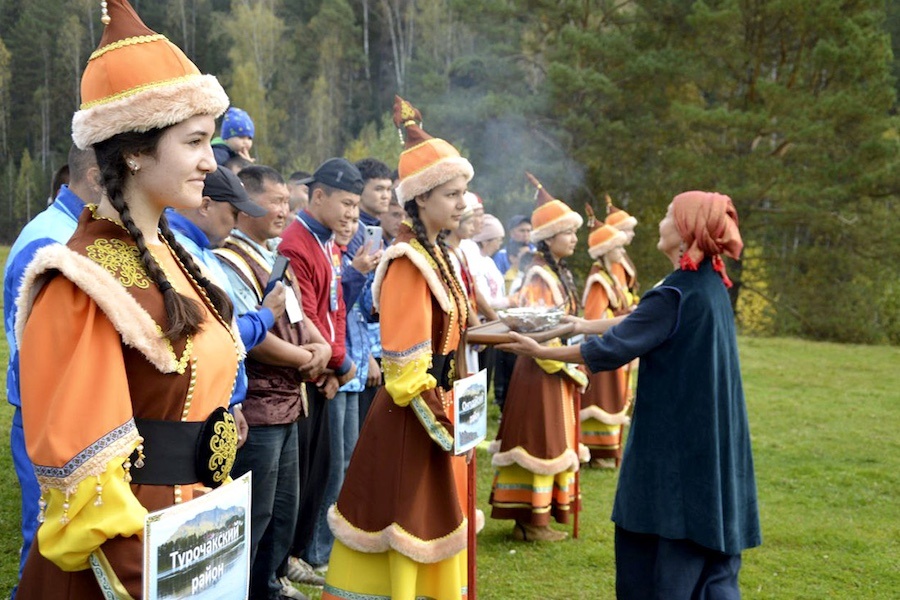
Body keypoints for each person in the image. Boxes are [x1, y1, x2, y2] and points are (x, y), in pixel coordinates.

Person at [15, 2, 240, 597]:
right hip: (129, 560)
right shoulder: (79, 281)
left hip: (194, 531)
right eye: (194, 141)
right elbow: (85, 471)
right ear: (136, 151)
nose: (210, 163)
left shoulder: (171, 255)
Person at [499, 190, 761, 599]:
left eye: (669, 215)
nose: (661, 222)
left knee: (667, 558)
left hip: (675, 447)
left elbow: (615, 347)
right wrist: (576, 324)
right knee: (711, 565)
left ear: (686, 230)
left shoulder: (677, 291)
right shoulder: (708, 283)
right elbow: (643, 321)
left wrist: (539, 351)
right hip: (708, 442)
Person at [323, 96, 475, 600]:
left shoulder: (439, 253)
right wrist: (448, 425)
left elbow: (455, 332)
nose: (463, 204)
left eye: (464, 193)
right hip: (414, 419)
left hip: (439, 406)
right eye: (453, 194)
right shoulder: (408, 261)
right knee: (409, 526)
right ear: (421, 198)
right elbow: (407, 371)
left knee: (435, 524)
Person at [215, 165, 332, 600]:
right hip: (261, 404)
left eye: (287, 200)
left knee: (285, 505)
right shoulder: (230, 259)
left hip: (289, 400)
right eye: (276, 201)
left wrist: (320, 348)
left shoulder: (271, 256)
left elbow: (299, 317)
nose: (286, 209)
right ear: (246, 205)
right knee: (255, 510)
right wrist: (307, 357)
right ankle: (249, 590)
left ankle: (271, 583)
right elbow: (253, 338)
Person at [3, 144, 101, 591]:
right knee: (47, 537)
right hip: (51, 417)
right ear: (99, 177)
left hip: (70, 413)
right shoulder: (52, 240)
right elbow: (43, 350)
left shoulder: (76, 229)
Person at [488, 171, 587, 542]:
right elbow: (535, 327)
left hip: (554, 366)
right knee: (539, 443)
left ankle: (540, 518)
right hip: (542, 368)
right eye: (568, 233)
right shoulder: (540, 276)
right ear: (549, 238)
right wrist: (565, 362)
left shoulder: (555, 273)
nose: (575, 239)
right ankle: (529, 522)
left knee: (552, 442)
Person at [278, 158, 364, 582]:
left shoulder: (329, 241)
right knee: (306, 474)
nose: (353, 214)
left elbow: (338, 310)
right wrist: (341, 364)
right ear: (318, 196)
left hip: (324, 372)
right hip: (306, 376)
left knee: (323, 468)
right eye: (347, 203)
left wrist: (339, 365)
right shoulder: (297, 242)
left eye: (357, 206)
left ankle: (297, 554)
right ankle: (290, 557)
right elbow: (306, 316)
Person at [579, 209, 630, 468]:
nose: (622, 251)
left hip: (615, 340)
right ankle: (597, 453)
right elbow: (593, 316)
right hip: (605, 343)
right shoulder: (599, 279)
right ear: (605, 250)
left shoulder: (611, 275)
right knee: (601, 400)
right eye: (617, 247)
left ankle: (607, 450)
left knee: (613, 398)